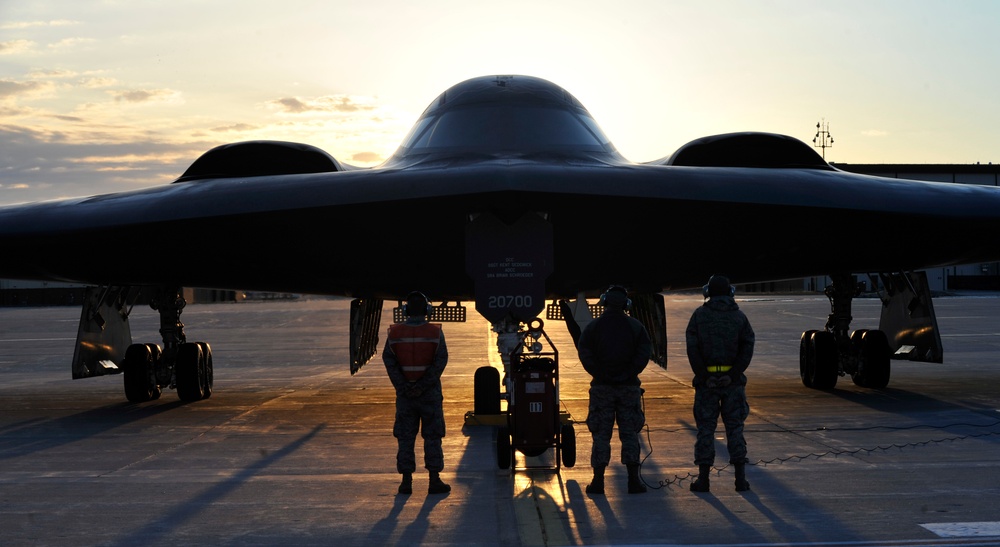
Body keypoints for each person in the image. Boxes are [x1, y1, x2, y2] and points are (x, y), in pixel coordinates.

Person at [577, 285, 653, 495]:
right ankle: (633, 481)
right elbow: (643, 354)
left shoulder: (593, 327)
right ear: (626, 304)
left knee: (601, 434)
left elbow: (585, 353)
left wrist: (601, 374)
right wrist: (627, 373)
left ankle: (598, 481)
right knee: (629, 434)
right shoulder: (636, 327)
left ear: (604, 302)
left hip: (602, 388)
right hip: (628, 388)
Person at [685, 275, 755, 492]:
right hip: (732, 385)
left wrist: (704, 376)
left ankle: (703, 479)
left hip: (707, 384)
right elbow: (747, 348)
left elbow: (693, 349)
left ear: (708, 292)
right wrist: (733, 375)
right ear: (730, 292)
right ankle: (740, 480)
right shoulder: (739, 318)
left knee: (705, 430)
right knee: (735, 429)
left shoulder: (699, 316)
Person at [382, 291, 451, 495]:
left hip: (405, 396)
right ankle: (434, 480)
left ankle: (406, 482)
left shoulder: (395, 333)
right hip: (429, 395)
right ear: (427, 310)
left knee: (405, 437)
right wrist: (423, 386)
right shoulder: (434, 332)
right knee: (432, 436)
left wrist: (403, 386)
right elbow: (440, 361)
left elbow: (389, 361)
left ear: (405, 310)